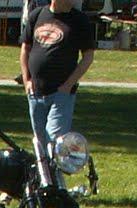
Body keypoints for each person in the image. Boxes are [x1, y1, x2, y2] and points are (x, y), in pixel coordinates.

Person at [20, 0, 95, 160]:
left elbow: (88, 56)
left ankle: (55, 181)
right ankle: (42, 182)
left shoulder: (79, 20)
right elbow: (25, 49)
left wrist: (68, 85)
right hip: (35, 93)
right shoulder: (37, 15)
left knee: (54, 141)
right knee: (39, 144)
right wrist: (27, 79)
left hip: (61, 93)